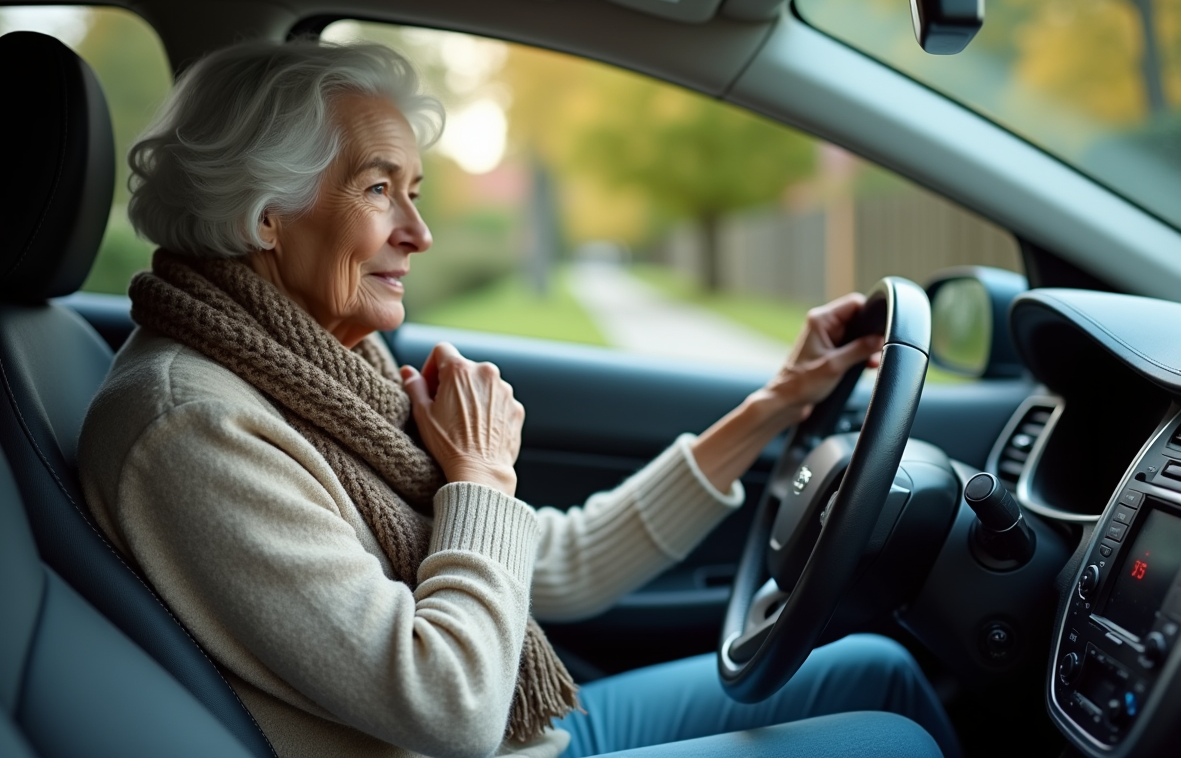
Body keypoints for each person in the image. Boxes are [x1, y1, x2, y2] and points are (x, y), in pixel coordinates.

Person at [79, 39, 961, 758]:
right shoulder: (193, 424)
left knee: (874, 668)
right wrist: (482, 483)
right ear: (263, 214)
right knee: (887, 741)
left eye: (413, 194)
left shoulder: (314, 371)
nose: (418, 233)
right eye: (380, 187)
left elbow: (559, 567)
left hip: (532, 735)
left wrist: (777, 400)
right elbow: (447, 705)